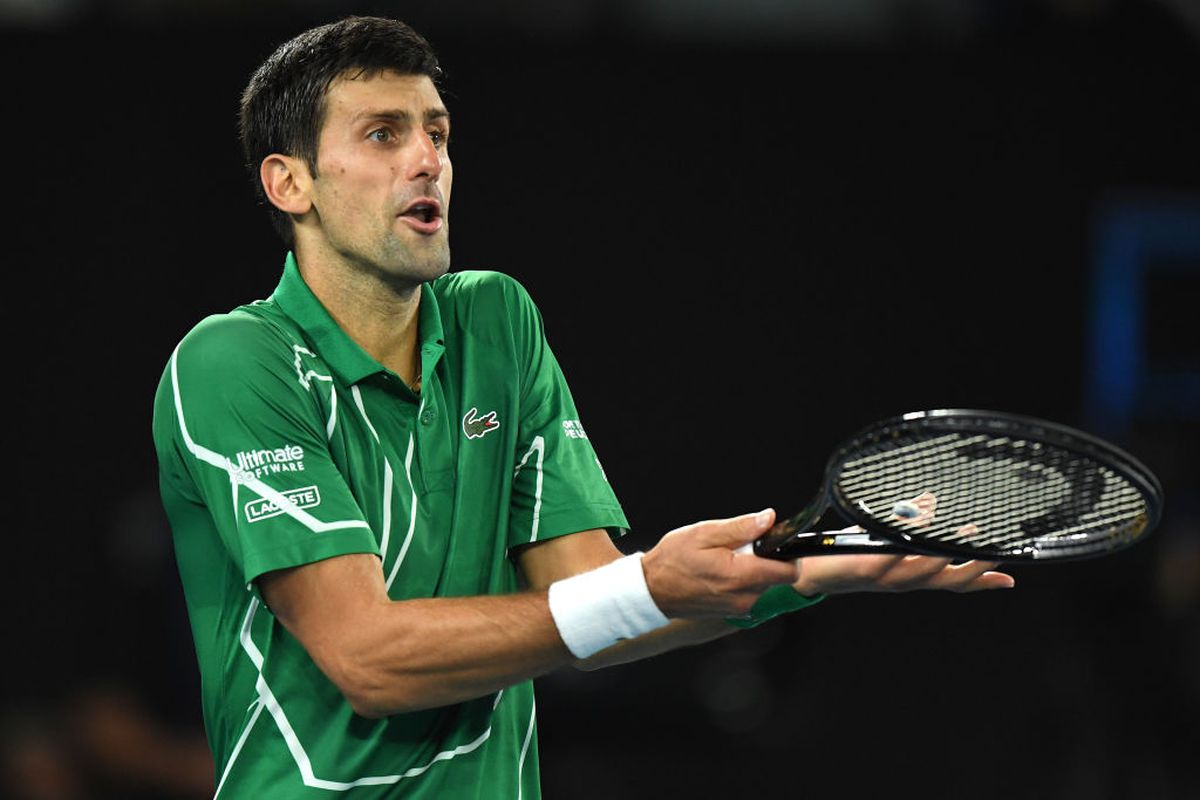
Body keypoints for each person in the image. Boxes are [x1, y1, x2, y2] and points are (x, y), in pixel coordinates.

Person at [150, 15, 1014, 799]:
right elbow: (370, 660)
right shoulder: (233, 362)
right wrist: (648, 582)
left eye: (437, 133)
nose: (427, 161)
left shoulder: (497, 320)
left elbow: (591, 605)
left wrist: (808, 571)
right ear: (289, 183)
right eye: (384, 134)